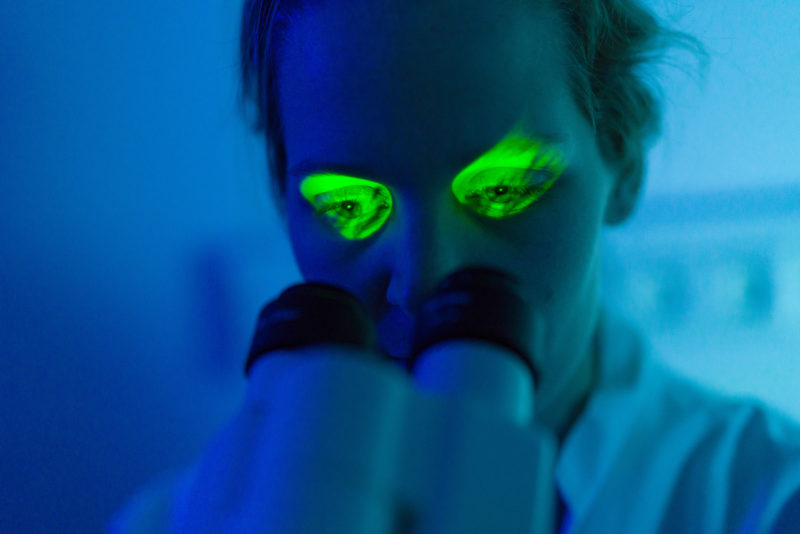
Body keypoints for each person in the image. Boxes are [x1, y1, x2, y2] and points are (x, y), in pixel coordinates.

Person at [108, 0, 800, 532]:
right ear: (282, 193)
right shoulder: (171, 521)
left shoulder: (767, 499)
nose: (423, 279)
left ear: (624, 163)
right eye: (349, 205)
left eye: (501, 189)